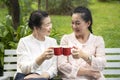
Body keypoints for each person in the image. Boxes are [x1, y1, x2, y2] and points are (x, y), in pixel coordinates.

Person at [58, 6, 106, 80]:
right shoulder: (66, 39)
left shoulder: (98, 40)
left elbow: (102, 65)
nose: (74, 26)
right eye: (72, 23)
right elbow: (62, 65)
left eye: (77, 23)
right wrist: (89, 72)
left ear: (88, 23)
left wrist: (84, 56)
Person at [15, 10, 57, 80]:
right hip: (25, 76)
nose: (50, 27)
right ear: (36, 28)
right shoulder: (24, 42)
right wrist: (41, 58)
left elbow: (55, 66)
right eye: (47, 25)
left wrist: (45, 75)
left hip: (45, 78)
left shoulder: (52, 42)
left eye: (50, 23)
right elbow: (24, 69)